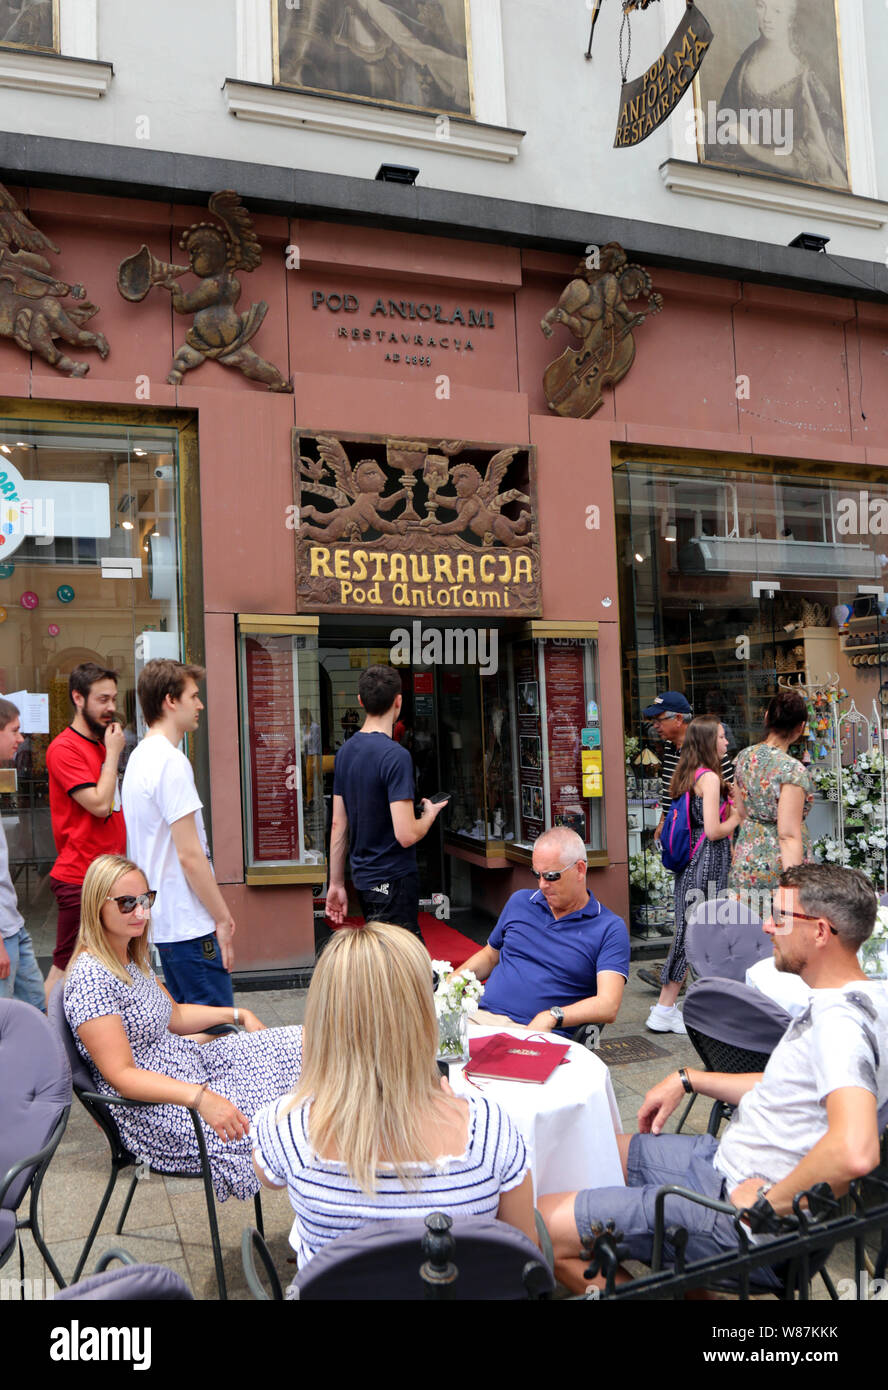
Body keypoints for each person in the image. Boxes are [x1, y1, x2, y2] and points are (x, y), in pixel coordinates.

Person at [539, 863, 888, 1294]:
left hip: (739, 1217)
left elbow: (855, 1150)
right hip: (722, 1163)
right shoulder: (866, 997)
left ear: (820, 932)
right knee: (592, 1152)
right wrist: (689, 1079)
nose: (765, 926)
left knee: (539, 1225)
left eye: (779, 916)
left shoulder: (841, 1024)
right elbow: (786, 1087)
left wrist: (766, 1205)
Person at [250, 920, 536, 1277]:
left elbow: (269, 1176)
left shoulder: (286, 1126)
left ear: (324, 1017)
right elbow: (525, 1261)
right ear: (420, 1014)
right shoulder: (489, 1129)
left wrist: (314, 1089)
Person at [63, 854, 303, 1201]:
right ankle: (331, 1208)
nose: (141, 913)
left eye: (146, 900)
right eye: (128, 903)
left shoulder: (129, 955)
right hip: (159, 1110)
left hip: (193, 1066)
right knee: (296, 1117)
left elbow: (173, 1015)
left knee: (306, 1044)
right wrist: (200, 1098)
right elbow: (121, 1075)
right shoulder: (91, 977)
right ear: (95, 906)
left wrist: (238, 1014)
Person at [122, 659, 234, 1006]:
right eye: (193, 696)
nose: (199, 705)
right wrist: (223, 917)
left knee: (188, 1033)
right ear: (171, 700)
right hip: (188, 923)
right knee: (217, 1033)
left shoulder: (140, 757)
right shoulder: (170, 762)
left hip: (165, 922)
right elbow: (190, 855)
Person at [453, 827, 629, 1035]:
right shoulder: (520, 902)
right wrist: (451, 985)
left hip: (538, 1031)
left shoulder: (609, 928)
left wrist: (552, 1016)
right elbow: (490, 956)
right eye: (537, 874)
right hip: (480, 1017)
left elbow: (608, 1005)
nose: (542, 884)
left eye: (552, 876)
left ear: (580, 870)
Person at [326, 665, 448, 937]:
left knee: (385, 961)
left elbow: (338, 824)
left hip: (364, 879)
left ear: (360, 700)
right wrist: (429, 814)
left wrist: (336, 883)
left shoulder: (345, 752)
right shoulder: (395, 756)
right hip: (393, 878)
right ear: (399, 701)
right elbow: (406, 834)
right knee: (406, 964)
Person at [647, 717, 740, 1036]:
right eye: (723, 738)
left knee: (696, 930)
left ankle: (683, 1006)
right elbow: (714, 830)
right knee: (696, 932)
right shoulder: (710, 779)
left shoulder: (687, 773)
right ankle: (665, 1007)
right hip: (708, 860)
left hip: (690, 861)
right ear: (709, 743)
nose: (727, 743)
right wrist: (737, 817)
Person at [638, 690, 733, 991]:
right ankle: (686, 977)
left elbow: (721, 803)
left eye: (659, 719)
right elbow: (675, 792)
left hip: (707, 846)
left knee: (697, 916)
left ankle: (680, 978)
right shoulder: (671, 750)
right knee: (695, 914)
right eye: (652, 720)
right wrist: (666, 820)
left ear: (679, 719)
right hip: (690, 843)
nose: (655, 725)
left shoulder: (706, 753)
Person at [44, 662, 127, 1005]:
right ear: (78, 698)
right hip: (80, 876)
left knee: (102, 964)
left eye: (113, 699)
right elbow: (96, 803)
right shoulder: (64, 748)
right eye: (102, 699)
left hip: (107, 876)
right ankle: (48, 1044)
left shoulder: (101, 743)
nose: (111, 707)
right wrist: (113, 757)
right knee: (65, 966)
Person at [710, 0, 847, 187]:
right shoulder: (749, 57)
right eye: (761, 6)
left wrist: (754, 149)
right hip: (742, 174)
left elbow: (819, 161)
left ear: (791, 19)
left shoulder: (804, 76)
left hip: (786, 182)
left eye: (777, 11)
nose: (767, 18)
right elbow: (725, 117)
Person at [728, 689, 812, 918]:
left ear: (766, 717)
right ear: (800, 727)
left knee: (745, 933)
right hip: (777, 863)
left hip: (747, 855)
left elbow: (741, 810)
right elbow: (788, 835)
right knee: (780, 933)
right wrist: (794, 888)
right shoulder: (791, 771)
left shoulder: (743, 757)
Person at [0, 698, 45, 1010]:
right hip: (3, 934)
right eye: (14, 730)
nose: (20, 738)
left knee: (36, 1014)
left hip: (13, 926)